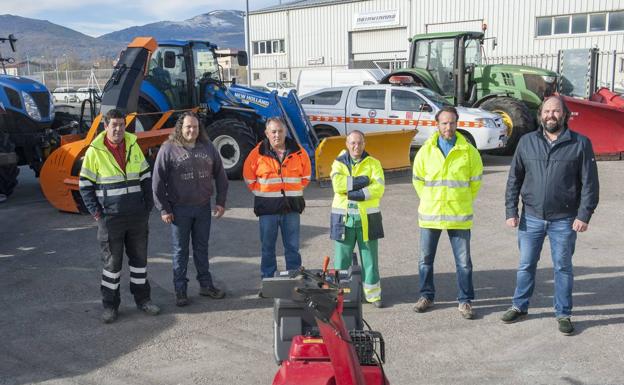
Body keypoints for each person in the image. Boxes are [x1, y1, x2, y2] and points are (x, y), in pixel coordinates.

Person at [502, 96, 599, 335]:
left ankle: (563, 313)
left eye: (556, 111)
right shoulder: (526, 142)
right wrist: (511, 210)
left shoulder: (580, 143)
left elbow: (590, 184)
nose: (550, 115)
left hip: (565, 220)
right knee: (526, 265)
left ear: (565, 115)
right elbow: (514, 179)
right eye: (546, 111)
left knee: (562, 268)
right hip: (531, 217)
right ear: (540, 115)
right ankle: (519, 306)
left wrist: (584, 215)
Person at [79, 109, 160, 324]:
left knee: (139, 262)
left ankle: (143, 300)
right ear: (105, 126)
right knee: (112, 266)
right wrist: (98, 213)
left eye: (121, 125)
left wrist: (147, 207)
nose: (118, 129)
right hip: (110, 218)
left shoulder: (133, 146)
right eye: (114, 125)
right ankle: (110, 306)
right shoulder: (94, 152)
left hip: (136, 217)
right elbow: (85, 186)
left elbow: (145, 179)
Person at [412, 105, 483, 319]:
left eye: (452, 123)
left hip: (458, 215)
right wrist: (429, 200)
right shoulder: (426, 150)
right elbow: (418, 180)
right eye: (444, 123)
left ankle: (465, 301)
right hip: (430, 214)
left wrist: (461, 201)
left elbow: (475, 182)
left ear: (457, 123)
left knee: (463, 263)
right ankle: (426, 296)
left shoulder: (468, 151)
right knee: (425, 260)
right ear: (437, 124)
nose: (448, 127)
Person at [152, 112, 229, 307]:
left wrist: (220, 201)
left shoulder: (208, 147)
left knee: (202, 249)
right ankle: (180, 290)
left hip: (203, 207)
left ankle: (206, 285)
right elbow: (157, 181)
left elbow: (220, 175)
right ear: (180, 128)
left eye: (195, 127)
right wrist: (164, 209)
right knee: (180, 251)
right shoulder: (168, 149)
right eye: (188, 127)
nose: (191, 130)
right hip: (179, 210)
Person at [243, 117, 311, 295]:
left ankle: (294, 282)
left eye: (280, 131)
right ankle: (268, 284)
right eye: (273, 131)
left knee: (293, 248)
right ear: (266, 133)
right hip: (268, 210)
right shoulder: (257, 153)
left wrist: (292, 192)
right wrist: (264, 194)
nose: (277, 135)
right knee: (267, 248)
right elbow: (249, 178)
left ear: (285, 132)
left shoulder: (298, 152)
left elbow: (306, 177)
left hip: (292, 209)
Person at [330, 130, 385, 308]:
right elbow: (338, 185)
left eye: (360, 143)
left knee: (370, 260)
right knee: (341, 261)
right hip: (343, 220)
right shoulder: (338, 163)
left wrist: (355, 193)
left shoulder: (374, 163)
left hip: (367, 219)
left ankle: (373, 295)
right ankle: (342, 296)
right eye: (353, 143)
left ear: (364, 143)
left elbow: (379, 188)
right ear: (347, 144)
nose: (356, 146)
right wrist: (363, 181)